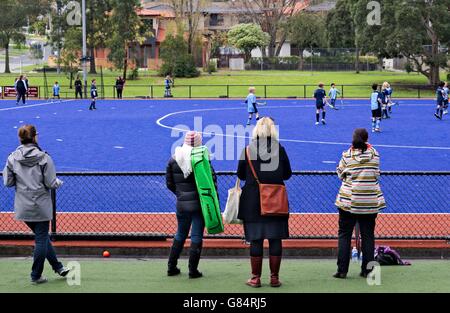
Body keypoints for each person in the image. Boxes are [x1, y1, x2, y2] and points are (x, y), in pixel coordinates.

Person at [2, 125, 69, 284]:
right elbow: (51, 182)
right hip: (40, 204)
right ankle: (36, 275)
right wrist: (58, 182)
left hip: (23, 205)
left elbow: (8, 182)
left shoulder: (12, 157)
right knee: (41, 239)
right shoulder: (44, 158)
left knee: (42, 237)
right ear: (34, 137)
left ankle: (58, 266)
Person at [237, 117, 292, 288]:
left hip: (253, 201)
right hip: (275, 199)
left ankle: (255, 278)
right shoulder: (279, 149)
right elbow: (287, 174)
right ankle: (274, 278)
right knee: (275, 239)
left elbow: (240, 174)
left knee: (256, 240)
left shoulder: (248, 150)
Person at [334, 128, 385, 279]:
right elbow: (376, 172)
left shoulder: (347, 155)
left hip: (348, 201)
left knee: (344, 235)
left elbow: (340, 172)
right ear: (367, 139)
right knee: (368, 236)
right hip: (369, 201)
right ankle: (368, 270)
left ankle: (342, 270)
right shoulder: (375, 154)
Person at [166, 131, 216, 279]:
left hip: (182, 204)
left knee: (180, 233)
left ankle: (171, 266)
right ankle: (193, 270)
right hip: (200, 204)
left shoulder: (174, 159)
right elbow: (211, 182)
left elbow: (169, 183)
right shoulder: (203, 159)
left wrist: (180, 194)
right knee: (196, 236)